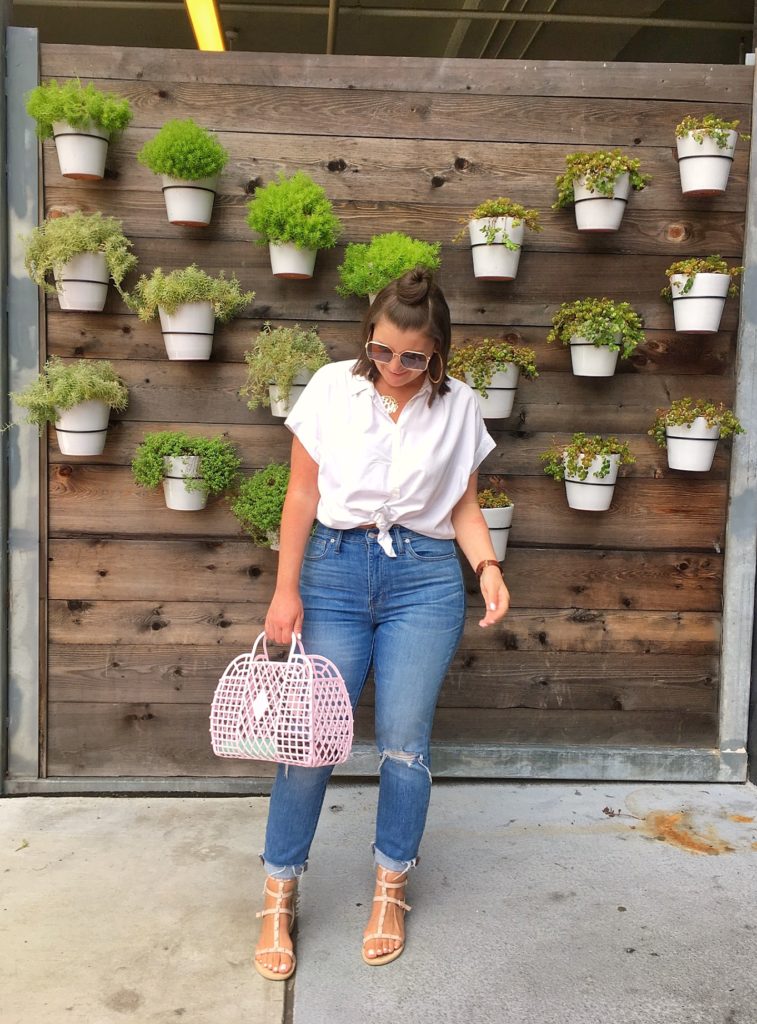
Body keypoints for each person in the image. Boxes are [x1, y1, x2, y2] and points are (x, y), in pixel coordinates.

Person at [254, 267, 510, 981]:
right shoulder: (333, 387)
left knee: (404, 745)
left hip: (423, 580)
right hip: (332, 574)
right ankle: (278, 892)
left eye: (413, 357)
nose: (394, 369)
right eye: (383, 351)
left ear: (439, 354)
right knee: (311, 742)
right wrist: (285, 591)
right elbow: (301, 495)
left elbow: (460, 506)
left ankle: (390, 887)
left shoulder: (458, 407)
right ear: (367, 340)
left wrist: (487, 566)